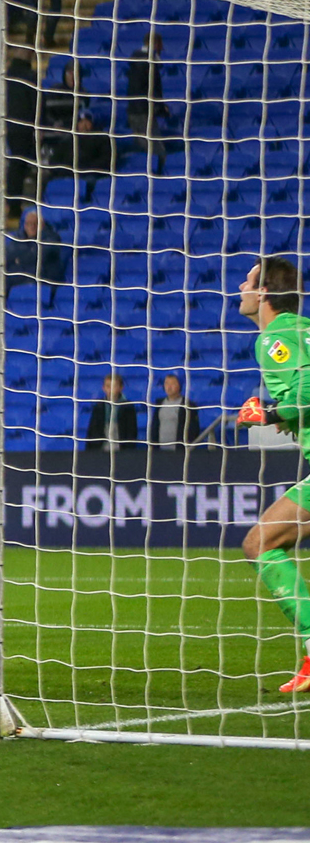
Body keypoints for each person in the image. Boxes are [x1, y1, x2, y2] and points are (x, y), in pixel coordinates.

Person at [230, 259, 310, 692]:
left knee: (260, 543)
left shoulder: (274, 336)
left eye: (248, 280)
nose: (241, 286)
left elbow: (309, 388)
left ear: (263, 294)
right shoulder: (304, 328)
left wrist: (270, 412)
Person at [85, 372, 139, 449]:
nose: (111, 389)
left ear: (121, 388)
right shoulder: (99, 406)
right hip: (101, 450)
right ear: (103, 388)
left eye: (114, 386)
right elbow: (92, 431)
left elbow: (131, 431)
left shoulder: (128, 407)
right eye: (108, 386)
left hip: (122, 450)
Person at [148, 373, 199, 449]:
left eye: (173, 384)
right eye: (166, 383)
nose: (169, 387)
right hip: (160, 452)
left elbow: (193, 429)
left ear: (179, 386)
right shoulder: (159, 403)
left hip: (179, 452)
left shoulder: (188, 405)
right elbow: (155, 426)